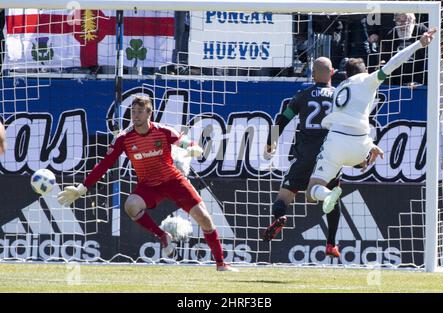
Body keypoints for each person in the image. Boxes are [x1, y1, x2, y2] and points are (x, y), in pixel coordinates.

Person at [57, 95, 237, 272]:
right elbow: (104, 164)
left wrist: (193, 148)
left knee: (205, 219)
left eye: (140, 112)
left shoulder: (163, 131)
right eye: (133, 111)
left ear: (149, 113)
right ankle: (162, 235)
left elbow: (185, 142)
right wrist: (82, 188)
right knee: (131, 206)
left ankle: (221, 264)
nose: (135, 115)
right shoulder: (124, 138)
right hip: (149, 186)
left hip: (173, 181)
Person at [306, 28, 436, 214]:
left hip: (335, 143)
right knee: (357, 159)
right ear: (365, 70)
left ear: (346, 75)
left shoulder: (340, 88)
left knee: (312, 191)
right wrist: (418, 44)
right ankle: (364, 157)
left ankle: (327, 195)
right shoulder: (368, 80)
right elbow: (394, 63)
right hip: (359, 147)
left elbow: (345, 119)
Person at [263, 57, 342, 258]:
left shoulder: (302, 95)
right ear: (332, 73)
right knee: (332, 198)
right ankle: (331, 244)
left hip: (304, 156)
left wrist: (270, 141)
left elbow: (284, 118)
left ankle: (280, 217)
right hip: (329, 158)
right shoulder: (340, 97)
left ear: (313, 75)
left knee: (284, 196)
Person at [380, 13, 428, 86]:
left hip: (419, 79)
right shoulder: (391, 34)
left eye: (407, 20)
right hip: (397, 80)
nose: (403, 24)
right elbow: (385, 57)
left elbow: (428, 59)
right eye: (399, 20)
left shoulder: (421, 31)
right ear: (395, 21)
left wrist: (419, 81)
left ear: (414, 21)